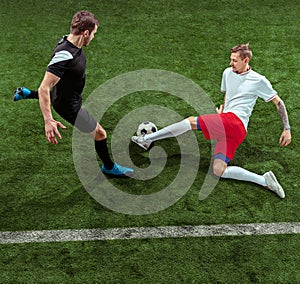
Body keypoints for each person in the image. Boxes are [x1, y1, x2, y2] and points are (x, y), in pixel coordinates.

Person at [132, 44, 291, 198]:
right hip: (232, 128)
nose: (231, 63)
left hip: (235, 123)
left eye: (235, 60)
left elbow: (278, 102)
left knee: (190, 122)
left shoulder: (258, 80)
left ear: (246, 61)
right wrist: (224, 111)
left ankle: (145, 139)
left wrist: (286, 129)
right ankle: (264, 180)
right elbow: (228, 94)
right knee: (218, 170)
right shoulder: (227, 73)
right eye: (231, 59)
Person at [14, 10, 133, 177]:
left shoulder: (68, 39)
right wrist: (48, 120)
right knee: (100, 133)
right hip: (68, 105)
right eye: (93, 34)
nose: (93, 37)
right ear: (85, 33)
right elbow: (44, 87)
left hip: (67, 92)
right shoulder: (65, 54)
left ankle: (27, 93)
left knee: (59, 85)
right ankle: (109, 167)